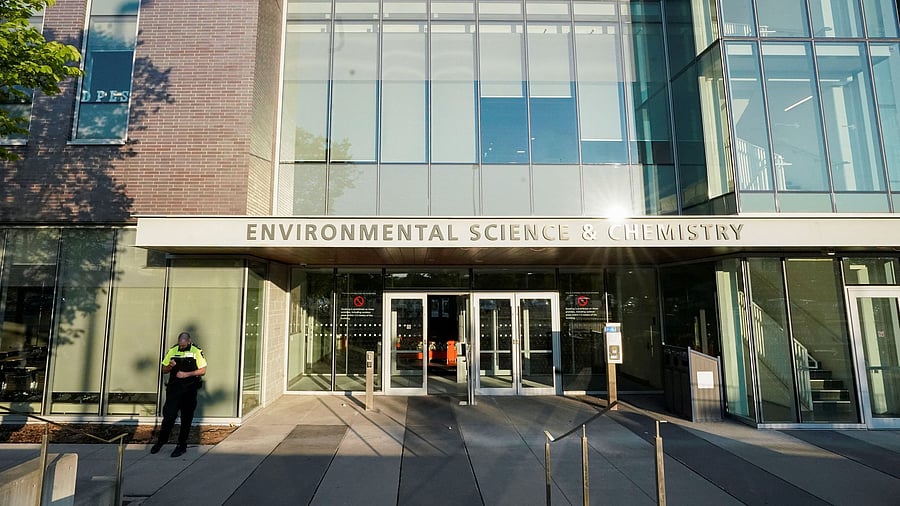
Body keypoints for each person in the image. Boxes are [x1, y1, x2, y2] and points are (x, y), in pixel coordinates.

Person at [150, 331, 207, 457]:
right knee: (169, 416)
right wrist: (170, 366)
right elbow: (164, 369)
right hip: (174, 389)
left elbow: (203, 370)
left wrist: (187, 374)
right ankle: (161, 441)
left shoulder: (196, 351)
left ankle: (182, 445)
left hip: (189, 389)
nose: (181, 346)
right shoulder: (172, 350)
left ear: (189, 341)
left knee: (186, 418)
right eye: (180, 344)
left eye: (183, 344)